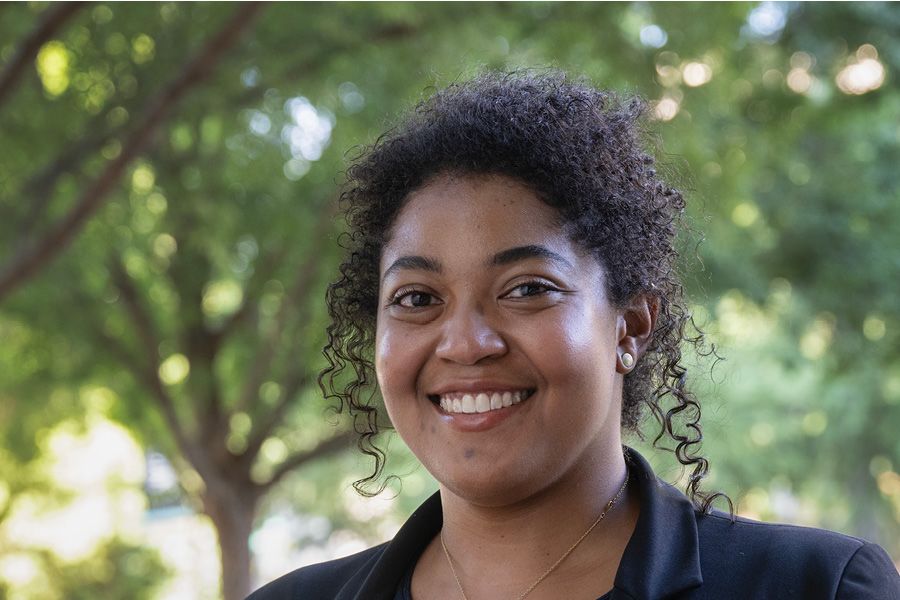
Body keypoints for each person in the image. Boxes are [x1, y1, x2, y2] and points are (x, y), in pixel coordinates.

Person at [248, 72, 900, 599]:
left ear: (631, 325)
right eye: (417, 299)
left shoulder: (817, 586)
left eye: (527, 289)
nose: (465, 344)